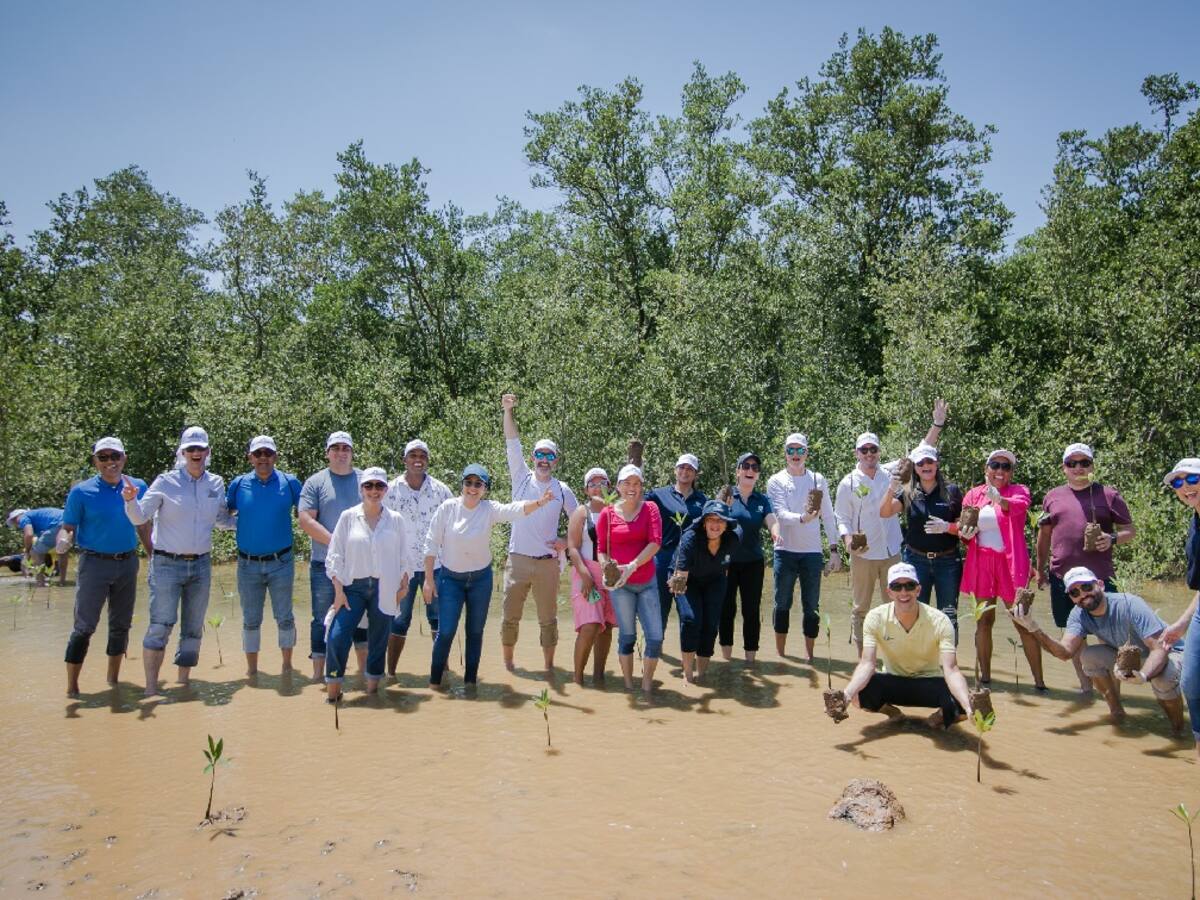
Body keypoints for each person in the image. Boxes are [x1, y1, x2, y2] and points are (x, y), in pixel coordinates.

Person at [122, 426, 234, 696]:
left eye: (201, 448)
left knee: (194, 628)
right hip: (166, 565)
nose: (196, 453)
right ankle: (151, 689)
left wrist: (253, 522)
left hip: (201, 565)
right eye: (191, 449)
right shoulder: (164, 481)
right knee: (160, 625)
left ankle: (183, 684)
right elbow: (139, 518)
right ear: (182, 453)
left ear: (208, 452)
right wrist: (130, 501)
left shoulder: (216, 483)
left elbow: (222, 521)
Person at [1012, 567, 1186, 734]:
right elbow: (1065, 652)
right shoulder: (1078, 615)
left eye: (1087, 587)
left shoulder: (1129, 603)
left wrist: (1143, 676)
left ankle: (1178, 731)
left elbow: (1159, 648)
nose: (1082, 594)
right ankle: (1117, 713)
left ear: (1100, 585)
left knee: (1163, 680)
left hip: (1170, 652)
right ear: (1071, 598)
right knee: (1089, 656)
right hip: (1131, 656)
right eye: (1075, 592)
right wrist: (1033, 627)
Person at [424, 464, 551, 689]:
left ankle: (471, 684)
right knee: (445, 632)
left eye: (478, 484)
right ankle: (435, 684)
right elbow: (431, 544)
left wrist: (540, 502)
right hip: (450, 579)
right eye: (468, 483)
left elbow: (515, 509)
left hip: (480, 580)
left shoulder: (488, 509)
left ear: (485, 488)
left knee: (475, 632)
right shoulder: (447, 508)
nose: (472, 488)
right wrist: (428, 579)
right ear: (462, 485)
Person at [835, 401, 946, 654]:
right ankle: (864, 658)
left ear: (879, 451)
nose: (869, 454)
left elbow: (922, 449)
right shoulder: (847, 483)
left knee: (896, 604)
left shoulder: (891, 472)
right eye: (864, 450)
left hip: (892, 552)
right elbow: (841, 518)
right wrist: (846, 542)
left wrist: (937, 423)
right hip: (863, 554)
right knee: (860, 608)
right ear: (856, 453)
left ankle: (894, 656)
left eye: (873, 449)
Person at [1035, 442, 1136, 693]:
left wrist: (1112, 538)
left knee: (1108, 636)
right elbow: (1044, 535)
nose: (1078, 468)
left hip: (1099, 578)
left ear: (1092, 466)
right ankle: (1086, 688)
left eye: (1084, 463)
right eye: (1072, 463)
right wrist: (1040, 569)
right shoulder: (1052, 496)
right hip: (1062, 578)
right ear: (1064, 468)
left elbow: (1129, 530)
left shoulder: (1109, 495)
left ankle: (1112, 691)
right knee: (1073, 636)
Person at [58, 437, 151, 697]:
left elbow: (143, 525)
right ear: (95, 461)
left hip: (127, 562)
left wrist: (154, 556)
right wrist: (63, 542)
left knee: (121, 625)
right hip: (93, 564)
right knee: (84, 626)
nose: (110, 462)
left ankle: (113, 681)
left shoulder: (138, 486)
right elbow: (68, 527)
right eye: (104, 457)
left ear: (124, 458)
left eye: (115, 456)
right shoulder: (81, 491)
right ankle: (72, 688)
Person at [838, 562, 973, 728]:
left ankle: (935, 719)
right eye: (897, 586)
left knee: (964, 700)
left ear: (918, 590)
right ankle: (892, 713)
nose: (903, 592)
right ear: (889, 592)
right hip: (893, 681)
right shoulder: (875, 618)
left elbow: (951, 670)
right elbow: (867, 663)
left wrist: (968, 707)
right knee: (858, 695)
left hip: (929, 682)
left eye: (909, 586)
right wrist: (846, 695)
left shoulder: (941, 621)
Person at [500, 394, 578, 673]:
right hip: (518, 560)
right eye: (540, 455)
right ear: (533, 458)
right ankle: (509, 668)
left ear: (556, 461)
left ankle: (548, 670)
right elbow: (512, 442)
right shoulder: (520, 477)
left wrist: (566, 544)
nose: (544, 460)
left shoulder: (562, 489)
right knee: (510, 618)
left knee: (549, 619)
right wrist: (508, 410)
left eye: (549, 456)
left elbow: (580, 522)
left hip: (547, 563)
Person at [957, 449, 1045, 690]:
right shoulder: (973, 495)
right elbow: (965, 530)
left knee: (1022, 621)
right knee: (984, 621)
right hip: (982, 563)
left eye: (1005, 467)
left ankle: (1040, 683)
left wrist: (999, 499)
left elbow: (1017, 508)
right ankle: (985, 679)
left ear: (1011, 473)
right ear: (986, 469)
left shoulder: (1019, 491)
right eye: (995, 465)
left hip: (1010, 564)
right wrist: (963, 532)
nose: (999, 471)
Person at [323, 467, 411, 701]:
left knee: (379, 641)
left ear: (386, 489)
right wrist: (338, 591)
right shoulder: (348, 517)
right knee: (337, 637)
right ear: (361, 489)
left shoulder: (396, 520)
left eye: (379, 486)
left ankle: (373, 694)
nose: (374, 491)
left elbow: (405, 557)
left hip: (385, 587)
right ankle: (333, 693)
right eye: (369, 486)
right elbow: (335, 555)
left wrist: (403, 589)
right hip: (353, 588)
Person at [226, 435, 302, 675]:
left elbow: (307, 516)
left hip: (282, 562)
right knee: (250, 620)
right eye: (258, 454)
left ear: (275, 456)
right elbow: (224, 515)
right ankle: (252, 673)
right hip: (247, 564)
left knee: (285, 618)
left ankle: (287, 668)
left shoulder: (290, 483)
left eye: (268, 453)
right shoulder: (238, 485)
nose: (263, 458)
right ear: (250, 457)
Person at [880, 443, 963, 641]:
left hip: (947, 561)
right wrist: (891, 488)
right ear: (915, 467)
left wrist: (947, 527)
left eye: (930, 461)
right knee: (913, 613)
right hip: (916, 561)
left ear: (937, 464)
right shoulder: (909, 492)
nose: (926, 466)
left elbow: (965, 527)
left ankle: (947, 665)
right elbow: (884, 512)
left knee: (948, 614)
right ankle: (917, 665)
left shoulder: (951, 491)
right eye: (921, 462)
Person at [383, 438, 453, 676]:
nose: (417, 460)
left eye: (422, 456)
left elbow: (452, 526)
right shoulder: (389, 490)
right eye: (413, 455)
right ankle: (390, 673)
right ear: (405, 460)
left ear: (428, 461)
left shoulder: (442, 491)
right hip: (402, 567)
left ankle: (441, 672)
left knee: (438, 619)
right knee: (399, 620)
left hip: (436, 565)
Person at [298, 431, 364, 682]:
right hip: (323, 563)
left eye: (345, 448)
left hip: (360, 565)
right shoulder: (316, 482)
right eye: (335, 448)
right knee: (320, 618)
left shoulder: (364, 480)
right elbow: (305, 519)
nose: (341, 452)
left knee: (362, 617)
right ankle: (318, 676)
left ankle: (361, 674)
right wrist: (336, 542)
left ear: (351, 452)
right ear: (327, 453)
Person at [767, 434, 840, 661]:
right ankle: (782, 656)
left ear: (807, 453)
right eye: (791, 450)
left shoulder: (818, 479)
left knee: (811, 606)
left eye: (800, 450)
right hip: (784, 552)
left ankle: (810, 657)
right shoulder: (775, 480)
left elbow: (828, 515)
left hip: (812, 552)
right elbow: (779, 513)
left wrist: (835, 550)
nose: (795, 455)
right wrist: (803, 518)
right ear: (785, 453)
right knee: (782, 604)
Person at [597, 465, 664, 695]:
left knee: (655, 637)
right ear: (617, 486)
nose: (631, 488)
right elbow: (601, 549)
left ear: (641, 486)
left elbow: (655, 542)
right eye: (626, 483)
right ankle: (628, 686)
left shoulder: (651, 509)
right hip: (620, 586)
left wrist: (632, 566)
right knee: (627, 636)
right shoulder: (607, 513)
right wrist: (607, 568)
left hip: (646, 582)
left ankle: (646, 686)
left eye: (636, 483)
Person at [1154, 459, 1200, 759]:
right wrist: (1182, 624)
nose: (1185, 487)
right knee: (1191, 682)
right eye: (1177, 483)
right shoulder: (1195, 521)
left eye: (1192, 478)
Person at [718, 452, 780, 664]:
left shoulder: (762, 500)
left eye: (755, 467)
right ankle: (726, 660)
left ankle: (750, 660)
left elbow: (772, 520)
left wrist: (776, 532)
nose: (750, 470)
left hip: (753, 563)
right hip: (727, 562)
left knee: (751, 610)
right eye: (746, 466)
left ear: (758, 474)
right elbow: (714, 522)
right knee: (726, 608)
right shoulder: (727, 495)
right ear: (738, 471)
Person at [671, 500, 742, 683]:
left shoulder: (733, 540)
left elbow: (725, 566)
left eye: (720, 520)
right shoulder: (690, 539)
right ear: (704, 523)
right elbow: (681, 576)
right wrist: (676, 587)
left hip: (714, 579)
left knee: (710, 624)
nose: (715, 525)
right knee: (690, 619)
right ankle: (687, 675)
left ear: (726, 525)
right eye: (711, 519)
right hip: (687, 579)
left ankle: (702, 674)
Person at [565, 467, 617, 686]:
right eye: (593, 484)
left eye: (602, 483)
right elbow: (572, 547)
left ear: (610, 487)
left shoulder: (616, 511)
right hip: (586, 572)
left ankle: (599, 677)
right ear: (586, 490)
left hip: (612, 576)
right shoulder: (581, 513)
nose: (598, 487)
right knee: (590, 626)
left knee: (606, 626)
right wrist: (585, 575)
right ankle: (578, 679)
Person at [649, 453, 708, 636]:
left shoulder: (703, 501)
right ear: (675, 470)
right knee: (660, 608)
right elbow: (636, 509)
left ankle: (688, 658)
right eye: (682, 467)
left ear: (696, 474)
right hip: (663, 557)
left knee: (688, 613)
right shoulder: (658, 495)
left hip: (689, 562)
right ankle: (653, 653)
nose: (685, 471)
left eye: (690, 468)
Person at [7, 506, 66, 585]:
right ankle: (62, 582)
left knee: (36, 553)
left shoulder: (24, 517)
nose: (17, 524)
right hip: (72, 522)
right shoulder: (39, 519)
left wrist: (27, 552)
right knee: (62, 551)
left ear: (17, 516)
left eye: (14, 521)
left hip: (57, 525)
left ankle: (40, 583)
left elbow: (29, 534)